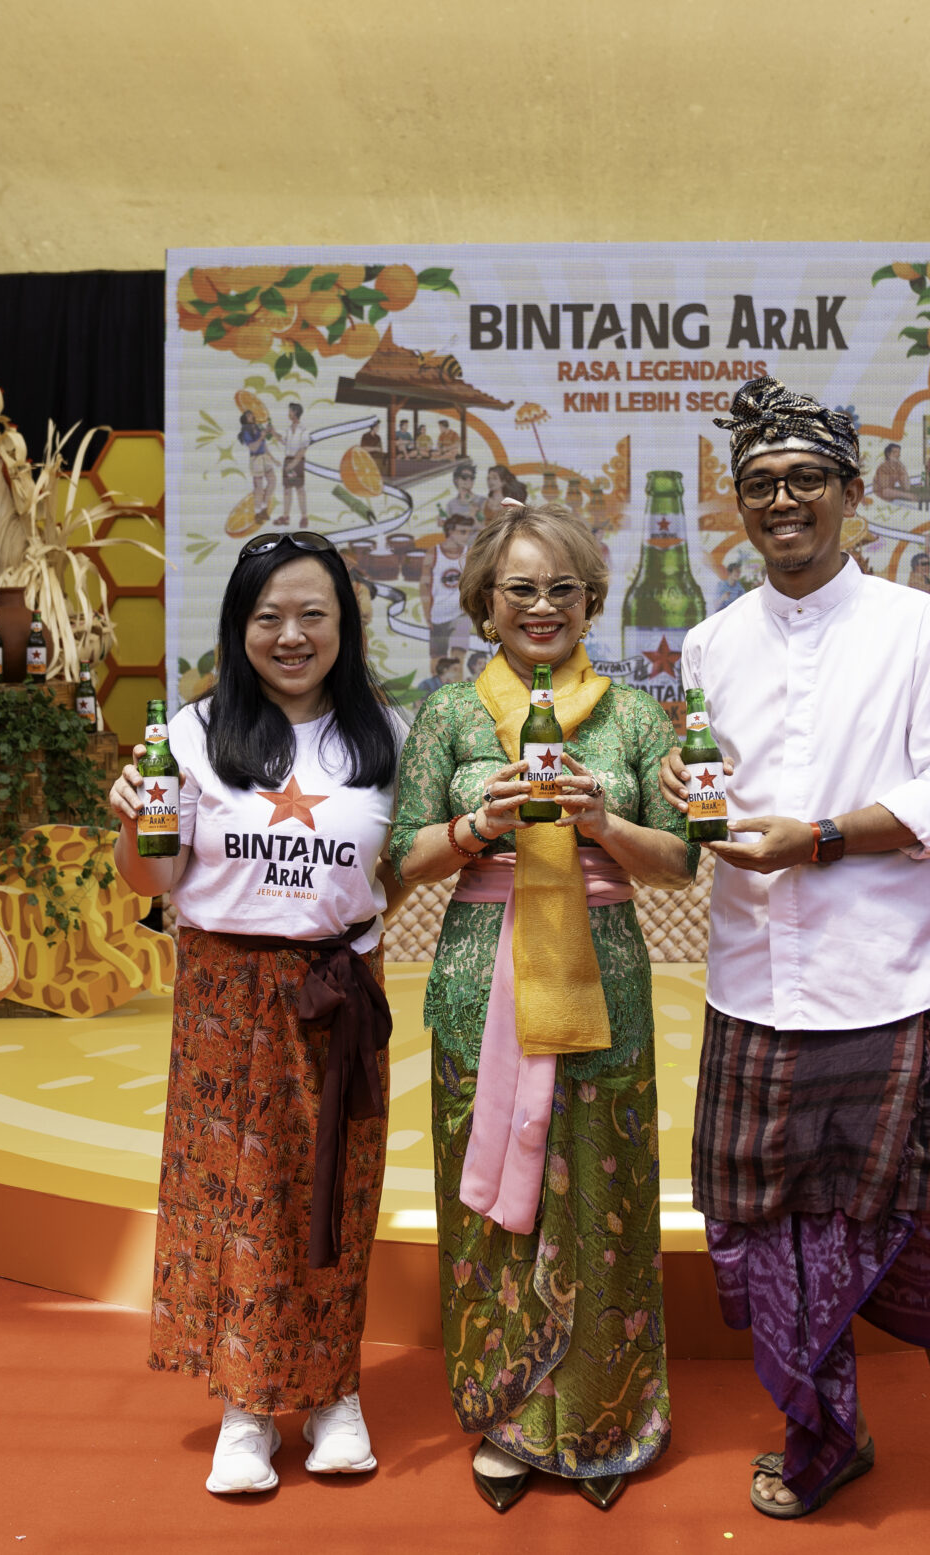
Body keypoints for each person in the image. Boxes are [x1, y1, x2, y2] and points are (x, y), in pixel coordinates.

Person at [660, 378, 930, 1554]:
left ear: (851, 495)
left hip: (889, 978)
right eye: (760, 485)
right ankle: (826, 1431)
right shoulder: (710, 641)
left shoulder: (918, 626)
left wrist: (817, 837)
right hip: (752, 984)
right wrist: (688, 799)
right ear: (739, 507)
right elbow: (709, 797)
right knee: (760, 1220)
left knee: (928, 1217)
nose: (783, 502)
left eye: (805, 480)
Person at [387, 502, 696, 1515]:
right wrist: (478, 824)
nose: (541, 606)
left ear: (592, 599)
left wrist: (607, 824)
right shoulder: (447, 715)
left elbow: (681, 863)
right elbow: (399, 861)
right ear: (484, 601)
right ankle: (511, 1415)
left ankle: (603, 1413)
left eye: (562, 588)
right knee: (493, 1194)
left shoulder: (639, 714)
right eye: (520, 588)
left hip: (603, 976)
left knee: (602, 1194)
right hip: (482, 980)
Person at [111, 531, 410, 1497]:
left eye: (312, 614)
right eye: (268, 616)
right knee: (233, 1199)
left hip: (337, 997)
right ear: (240, 627)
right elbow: (152, 879)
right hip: (223, 995)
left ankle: (333, 1395)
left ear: (344, 625)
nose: (291, 635)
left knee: (333, 1192)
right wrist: (131, 819)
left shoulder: (386, 738)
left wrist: (341, 932)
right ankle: (245, 1410)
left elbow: (389, 876)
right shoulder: (194, 736)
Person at [424, 511, 478, 667]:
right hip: (438, 614)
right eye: (462, 532)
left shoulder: (469, 553)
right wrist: (427, 612)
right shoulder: (433, 553)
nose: (466, 536)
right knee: (438, 661)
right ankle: (435, 690)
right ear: (450, 531)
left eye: (468, 532)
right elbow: (425, 585)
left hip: (460, 614)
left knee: (457, 658)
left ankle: (458, 691)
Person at [278, 401, 311, 527]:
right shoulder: (288, 429)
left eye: (290, 411)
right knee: (287, 489)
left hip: (297, 461)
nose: (288, 413)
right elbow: (284, 441)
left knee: (300, 489)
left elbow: (303, 450)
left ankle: (304, 517)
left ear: (295, 412)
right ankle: (286, 517)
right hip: (288, 459)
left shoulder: (303, 430)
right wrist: (273, 433)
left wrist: (294, 463)